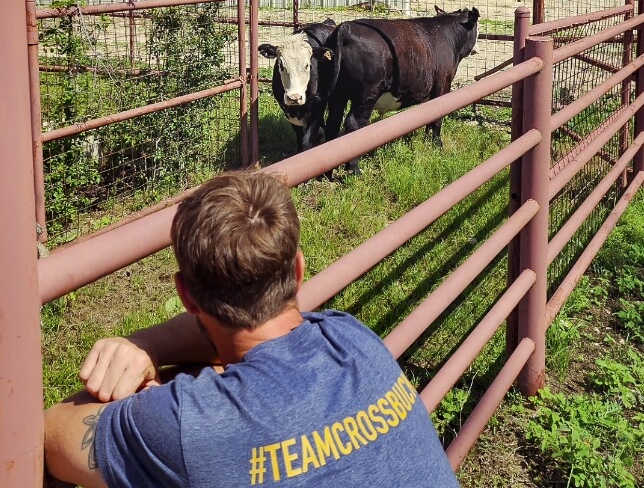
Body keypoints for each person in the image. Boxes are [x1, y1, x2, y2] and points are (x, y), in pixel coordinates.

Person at [44, 169, 460, 488]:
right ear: (298, 271)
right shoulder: (353, 339)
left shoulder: (190, 425)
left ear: (187, 296)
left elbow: (47, 437)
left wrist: (151, 366)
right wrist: (152, 351)